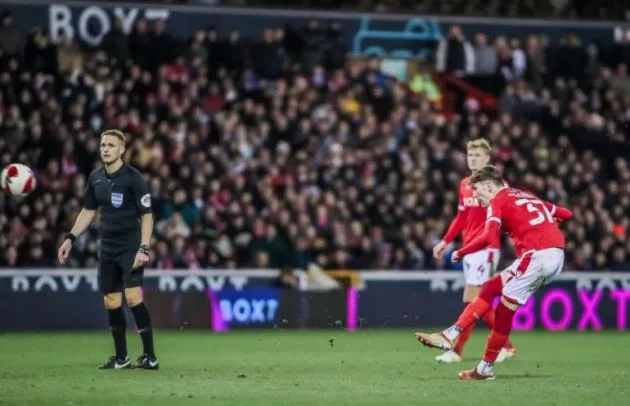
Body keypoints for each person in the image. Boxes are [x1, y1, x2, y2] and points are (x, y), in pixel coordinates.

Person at [417, 165, 573, 380]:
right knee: (491, 289)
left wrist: (461, 252)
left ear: (489, 186)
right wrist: (550, 221)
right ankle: (459, 345)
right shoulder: (525, 195)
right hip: (556, 256)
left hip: (536, 257)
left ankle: (473, 358)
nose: (478, 199)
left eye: (479, 192)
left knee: (501, 311)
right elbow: (567, 214)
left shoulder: (498, 200)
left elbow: (489, 237)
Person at [57, 129, 159, 370]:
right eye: (103, 144)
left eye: (111, 145)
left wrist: (144, 248)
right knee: (111, 301)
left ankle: (150, 356)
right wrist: (70, 237)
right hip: (108, 247)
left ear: (121, 150)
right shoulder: (95, 178)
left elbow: (147, 216)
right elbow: (88, 211)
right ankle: (122, 358)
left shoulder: (134, 178)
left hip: (131, 246)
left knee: (133, 297)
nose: (105, 148)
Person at [432, 139, 514, 363]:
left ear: (487, 159)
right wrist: (445, 241)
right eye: (470, 156)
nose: (473, 159)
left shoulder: (496, 185)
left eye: (478, 156)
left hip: (486, 247)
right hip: (469, 248)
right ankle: (506, 345)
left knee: (472, 298)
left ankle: (456, 351)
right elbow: (461, 217)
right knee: (479, 301)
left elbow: (510, 211)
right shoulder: (465, 184)